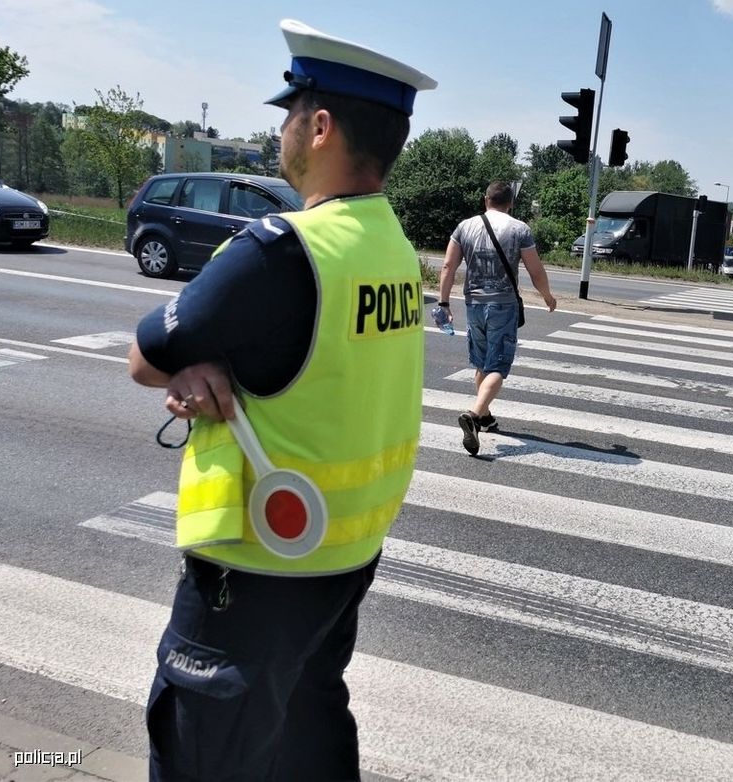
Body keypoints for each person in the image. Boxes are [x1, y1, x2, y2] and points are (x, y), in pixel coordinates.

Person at [126, 19, 435, 782]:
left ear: (320, 126)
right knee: (307, 735)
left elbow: (142, 355)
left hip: (254, 571)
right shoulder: (393, 246)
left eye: (288, 115)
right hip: (344, 555)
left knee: (208, 758)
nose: (281, 133)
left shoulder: (280, 250)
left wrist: (184, 363)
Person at [438, 181, 557, 456]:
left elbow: (448, 265)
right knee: (497, 366)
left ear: (485, 199)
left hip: (474, 304)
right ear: (511, 202)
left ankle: (486, 417)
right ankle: (474, 414)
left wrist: (444, 302)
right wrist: (547, 296)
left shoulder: (464, 227)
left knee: (481, 362)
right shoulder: (519, 229)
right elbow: (535, 269)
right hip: (503, 305)